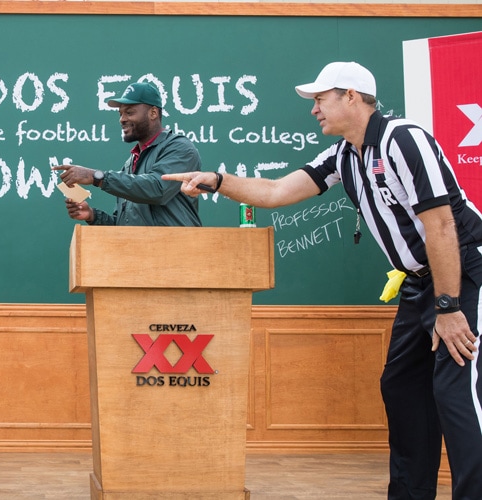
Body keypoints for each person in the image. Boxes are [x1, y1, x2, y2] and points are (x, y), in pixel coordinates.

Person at [164, 61, 482, 499]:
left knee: (458, 396)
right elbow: (276, 192)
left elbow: (443, 226)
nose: (313, 109)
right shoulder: (344, 156)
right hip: (419, 282)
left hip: (464, 273)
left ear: (350, 96)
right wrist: (217, 181)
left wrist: (449, 307)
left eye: (320, 98)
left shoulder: (403, 139)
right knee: (402, 387)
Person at [52, 81, 202, 227]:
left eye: (129, 112)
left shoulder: (179, 148)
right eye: (120, 114)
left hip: (177, 249)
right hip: (138, 250)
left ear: (153, 113)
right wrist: (92, 215)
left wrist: (95, 176)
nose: (122, 119)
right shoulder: (130, 163)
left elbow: (157, 189)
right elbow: (124, 227)